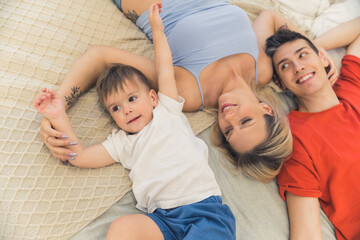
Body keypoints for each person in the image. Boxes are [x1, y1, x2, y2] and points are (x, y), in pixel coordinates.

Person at [39, 0, 336, 181]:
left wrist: (59, 106)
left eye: (229, 131)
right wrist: (310, 46)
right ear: (266, 109)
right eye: (245, 120)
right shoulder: (263, 69)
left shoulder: (189, 93)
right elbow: (269, 16)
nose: (228, 117)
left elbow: (100, 57)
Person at [34, 3, 235, 240]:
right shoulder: (121, 144)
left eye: (131, 99)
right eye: (116, 108)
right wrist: (58, 115)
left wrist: (157, 31)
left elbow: (164, 70)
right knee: (122, 228)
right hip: (162, 221)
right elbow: (82, 157)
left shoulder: (167, 110)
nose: (127, 110)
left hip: (202, 212)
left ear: (152, 98)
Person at [265, 17, 360, 240]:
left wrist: (319, 47)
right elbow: (306, 233)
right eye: (285, 66)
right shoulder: (295, 139)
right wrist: (310, 54)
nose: (299, 67)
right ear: (280, 83)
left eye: (303, 55)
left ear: (322, 57)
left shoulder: (351, 85)